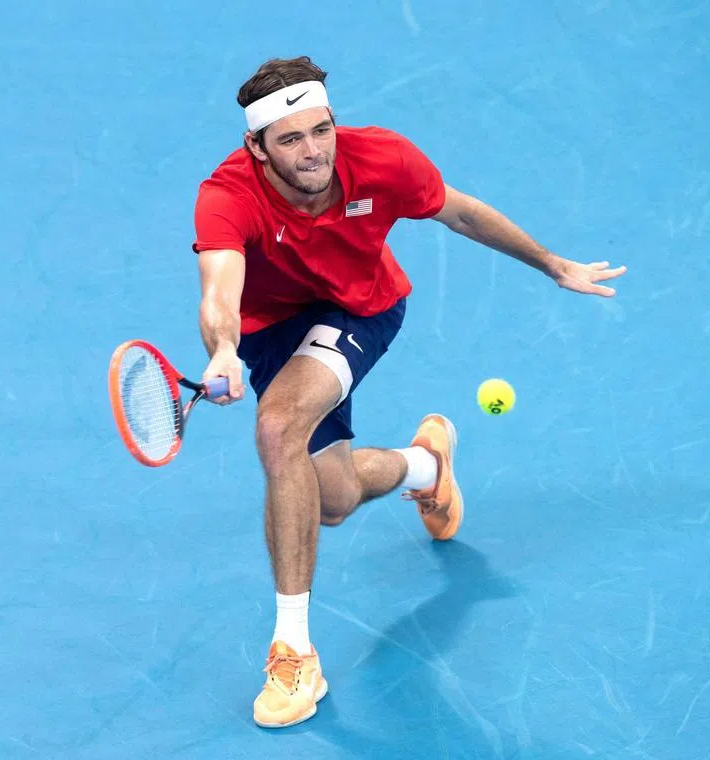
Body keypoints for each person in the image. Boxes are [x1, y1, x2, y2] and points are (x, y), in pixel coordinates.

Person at [191, 56, 626, 728]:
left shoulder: (383, 159)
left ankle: (294, 652)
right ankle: (427, 466)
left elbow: (463, 214)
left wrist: (550, 263)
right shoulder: (227, 195)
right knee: (332, 500)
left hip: (359, 308)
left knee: (277, 428)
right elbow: (221, 288)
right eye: (291, 139)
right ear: (257, 147)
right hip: (273, 329)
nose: (313, 150)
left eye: (321, 130)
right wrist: (223, 347)